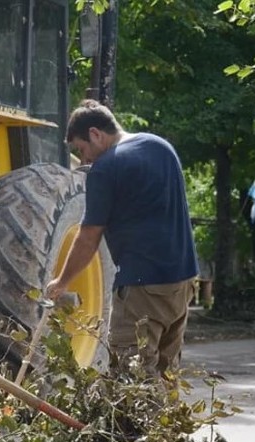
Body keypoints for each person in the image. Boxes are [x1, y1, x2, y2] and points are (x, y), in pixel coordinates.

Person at [46, 99, 198, 376]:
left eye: (82, 149)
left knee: (130, 380)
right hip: (182, 282)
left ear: (95, 133)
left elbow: (88, 237)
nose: (85, 159)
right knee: (166, 374)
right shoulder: (159, 146)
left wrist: (61, 281)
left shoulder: (106, 169)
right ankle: (165, 420)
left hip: (143, 287)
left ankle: (140, 422)